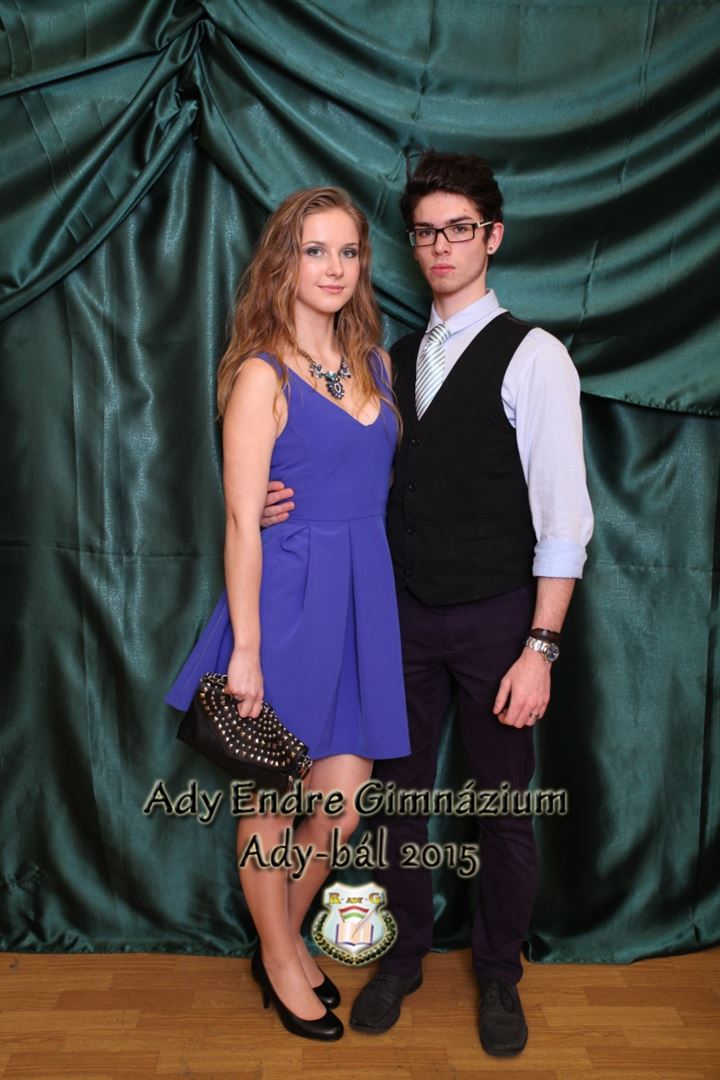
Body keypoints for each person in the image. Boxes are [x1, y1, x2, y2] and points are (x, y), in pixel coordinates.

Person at [261, 152, 593, 1056]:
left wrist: (540, 647)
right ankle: (402, 958)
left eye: (459, 229)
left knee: (503, 806)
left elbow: (564, 518)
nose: (441, 246)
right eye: (425, 232)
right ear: (412, 246)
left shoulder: (535, 357)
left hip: (497, 617)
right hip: (397, 616)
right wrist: (268, 499)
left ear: (492, 237)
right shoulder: (388, 360)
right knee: (395, 802)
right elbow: (350, 469)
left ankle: (498, 972)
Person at [166, 186, 410, 1042]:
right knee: (273, 800)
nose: (334, 268)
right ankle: (278, 957)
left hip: (364, 599)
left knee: (341, 805)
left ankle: (283, 933)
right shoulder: (260, 374)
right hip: (289, 600)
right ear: (284, 261)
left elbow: (370, 482)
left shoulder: (377, 363)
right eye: (315, 250)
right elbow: (242, 520)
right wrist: (247, 650)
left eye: (348, 251)